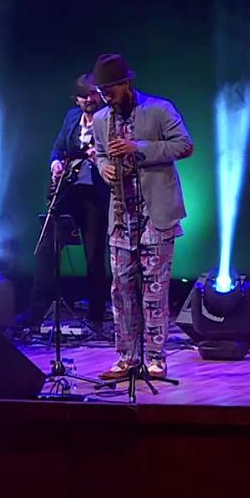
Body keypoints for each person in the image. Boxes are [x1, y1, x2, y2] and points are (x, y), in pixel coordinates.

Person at [89, 53, 194, 381]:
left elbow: (185, 145)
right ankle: (127, 358)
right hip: (121, 215)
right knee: (121, 289)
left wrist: (140, 147)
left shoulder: (160, 109)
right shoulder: (100, 119)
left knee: (154, 289)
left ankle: (155, 358)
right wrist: (103, 165)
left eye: (111, 89)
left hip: (156, 213)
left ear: (126, 83)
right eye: (102, 91)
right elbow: (101, 153)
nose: (107, 96)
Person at [25, 74, 111, 333]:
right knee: (46, 249)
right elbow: (57, 148)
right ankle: (35, 313)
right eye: (84, 96)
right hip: (68, 193)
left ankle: (97, 314)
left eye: (94, 95)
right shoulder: (71, 118)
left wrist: (99, 158)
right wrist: (55, 163)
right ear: (76, 99)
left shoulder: (109, 120)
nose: (90, 100)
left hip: (95, 195)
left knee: (95, 257)